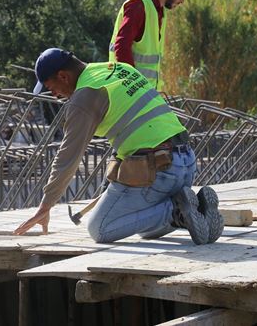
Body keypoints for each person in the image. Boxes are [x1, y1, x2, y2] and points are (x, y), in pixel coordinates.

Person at [13, 48, 224, 245]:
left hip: (159, 171)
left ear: (63, 76)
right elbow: (133, 126)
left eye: (51, 88)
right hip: (185, 163)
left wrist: (46, 205)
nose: (54, 95)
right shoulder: (117, 69)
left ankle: (176, 211)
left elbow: (67, 158)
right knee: (140, 227)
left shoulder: (84, 97)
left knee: (100, 228)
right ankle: (196, 207)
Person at [108, 0, 195, 92]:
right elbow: (121, 48)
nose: (182, 1)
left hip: (145, 95)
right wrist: (133, 87)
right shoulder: (138, 5)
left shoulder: (160, 12)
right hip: (129, 94)